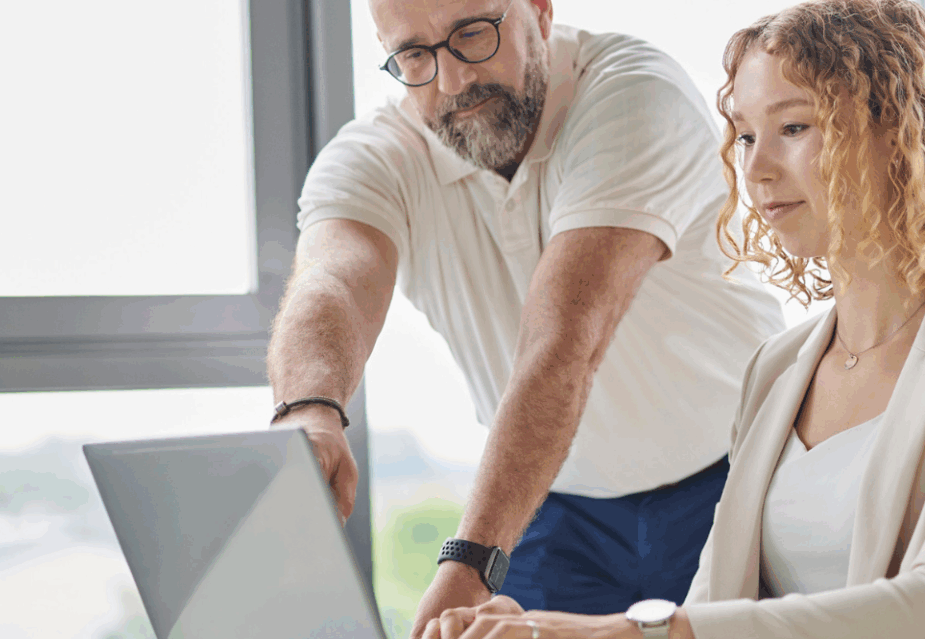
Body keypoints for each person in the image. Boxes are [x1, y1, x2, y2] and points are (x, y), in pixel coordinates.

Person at [427, 1, 925, 637]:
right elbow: (713, 611)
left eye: (793, 128)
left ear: (899, 133)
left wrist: (629, 629)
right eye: (746, 136)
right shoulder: (776, 369)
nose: (756, 169)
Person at [264, 0, 786, 635]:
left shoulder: (631, 91)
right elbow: (332, 282)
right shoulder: (377, 156)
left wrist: (471, 560)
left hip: (737, 473)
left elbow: (566, 339)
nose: (453, 79)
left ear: (539, 11)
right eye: (414, 55)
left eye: (473, 34)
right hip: (552, 499)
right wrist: (310, 410)